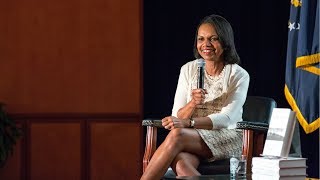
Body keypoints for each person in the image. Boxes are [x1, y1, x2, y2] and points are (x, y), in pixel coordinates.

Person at [140, 14, 250, 180]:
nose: (206, 44)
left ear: (225, 42)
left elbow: (227, 118)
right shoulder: (188, 69)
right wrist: (192, 103)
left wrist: (189, 123)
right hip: (192, 137)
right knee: (181, 164)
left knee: (177, 136)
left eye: (213, 39)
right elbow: (178, 116)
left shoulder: (238, 74)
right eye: (201, 39)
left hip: (227, 136)